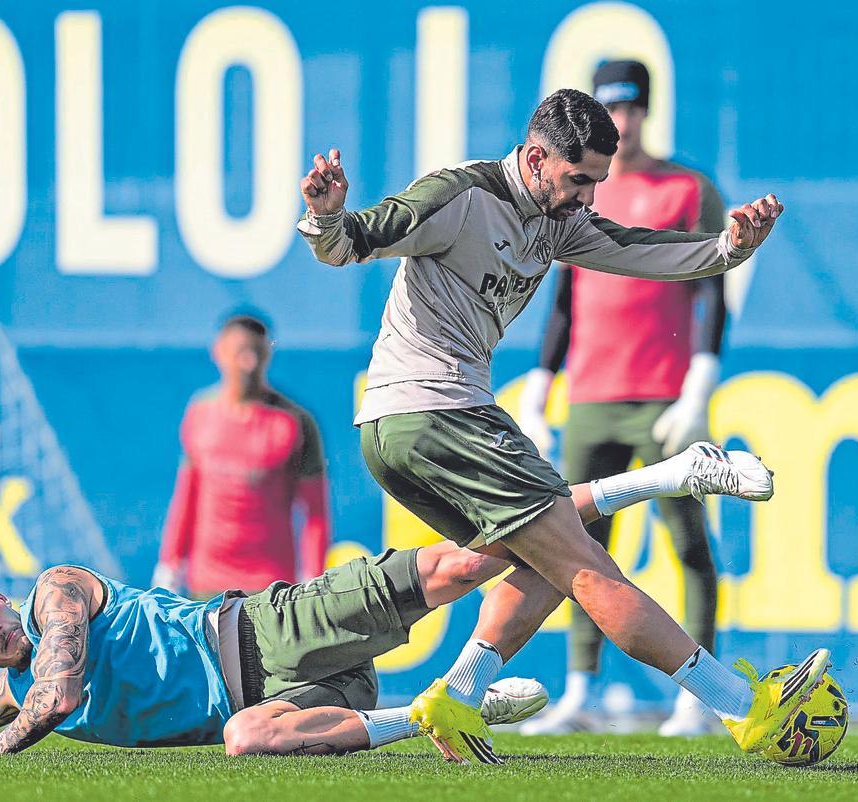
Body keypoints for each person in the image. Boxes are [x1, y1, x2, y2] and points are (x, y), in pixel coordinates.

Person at [296, 87, 826, 764]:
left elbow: (644, 252)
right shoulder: (461, 195)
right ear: (537, 157)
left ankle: (460, 695)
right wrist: (326, 216)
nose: (589, 198)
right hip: (436, 411)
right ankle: (746, 711)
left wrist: (731, 246)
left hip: (409, 427)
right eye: (580, 180)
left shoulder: (559, 218)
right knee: (587, 566)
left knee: (549, 558)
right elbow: (354, 242)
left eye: (598, 183)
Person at [0, 446, 770, 759]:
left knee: (478, 563)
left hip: (268, 625)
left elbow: (50, 699)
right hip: (282, 695)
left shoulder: (56, 593)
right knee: (245, 741)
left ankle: (674, 471)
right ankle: (438, 708)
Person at [518, 61, 729, 737]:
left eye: (633, 106)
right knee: (576, 546)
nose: (626, 119)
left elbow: (712, 288)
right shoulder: (582, 189)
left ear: (647, 109)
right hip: (592, 395)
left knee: (688, 543)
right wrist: (541, 388)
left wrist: (700, 380)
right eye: (614, 107)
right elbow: (564, 301)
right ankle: (580, 688)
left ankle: (700, 694)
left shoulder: (687, 188)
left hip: (663, 399)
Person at [154, 314, 330, 599]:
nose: (249, 363)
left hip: (270, 585)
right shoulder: (200, 412)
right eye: (241, 352)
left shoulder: (295, 422)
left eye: (257, 353)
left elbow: (315, 513)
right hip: (207, 583)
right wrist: (169, 565)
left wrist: (312, 576)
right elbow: (187, 495)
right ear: (219, 352)